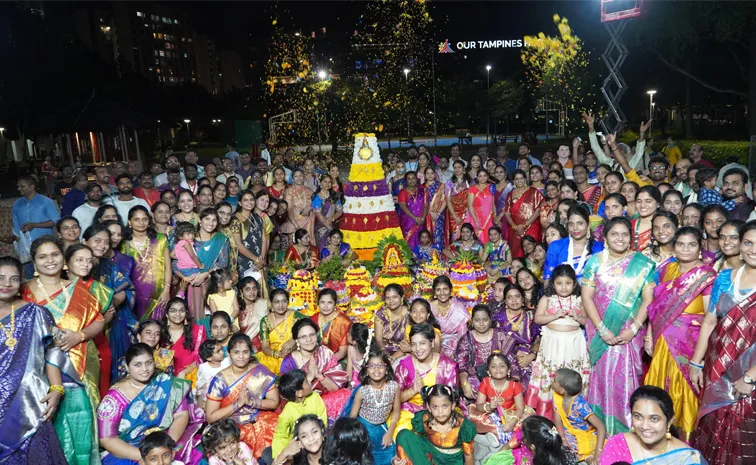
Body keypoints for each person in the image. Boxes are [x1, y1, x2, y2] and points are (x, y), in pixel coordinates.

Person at [20, 235, 105, 465]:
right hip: (36, 373)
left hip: (79, 368)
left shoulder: (78, 289)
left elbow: (98, 320)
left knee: (80, 426)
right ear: (34, 262)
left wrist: (80, 335)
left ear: (64, 258)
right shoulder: (22, 292)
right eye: (43, 256)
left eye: (55, 254)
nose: (50, 260)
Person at [689, 221, 756, 465]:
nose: (752, 249)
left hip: (750, 377)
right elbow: (709, 321)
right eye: (748, 242)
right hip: (718, 368)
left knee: (743, 432)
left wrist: (750, 377)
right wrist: (696, 364)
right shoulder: (726, 277)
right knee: (713, 428)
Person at [582, 217, 655, 436]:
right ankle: (600, 432)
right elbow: (587, 298)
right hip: (599, 334)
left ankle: (625, 433)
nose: (620, 239)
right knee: (601, 381)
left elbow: (648, 300)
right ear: (605, 238)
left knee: (625, 381)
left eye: (625, 234)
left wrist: (632, 329)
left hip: (628, 335)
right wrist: (602, 330)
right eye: (615, 234)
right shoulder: (595, 261)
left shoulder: (642, 264)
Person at [644, 227, 715, 441]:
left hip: (689, 341)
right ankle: (655, 435)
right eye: (681, 244)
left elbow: (709, 316)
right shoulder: (667, 271)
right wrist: (649, 334)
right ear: (674, 248)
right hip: (662, 337)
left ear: (699, 249)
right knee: (660, 385)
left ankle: (684, 441)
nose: (686, 249)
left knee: (686, 388)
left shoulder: (707, 275)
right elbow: (655, 308)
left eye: (691, 244)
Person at [0, 255, 69, 464]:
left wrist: (56, 389)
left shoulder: (36, 313)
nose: (7, 284)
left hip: (28, 400)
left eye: (13, 279)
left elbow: (53, 352)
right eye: (1, 278)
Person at [97, 343, 203, 465]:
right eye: (138, 364)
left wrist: (165, 448)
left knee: (193, 454)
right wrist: (146, 456)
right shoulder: (114, 399)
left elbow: (181, 415)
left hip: (166, 441)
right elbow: (107, 439)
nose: (145, 369)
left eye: (148, 363)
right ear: (126, 367)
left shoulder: (164, 382)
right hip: (131, 450)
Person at [526, 265, 590, 419]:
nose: (563, 287)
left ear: (574, 284)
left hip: (573, 343)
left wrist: (577, 316)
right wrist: (554, 316)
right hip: (552, 343)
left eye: (568, 283)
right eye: (559, 283)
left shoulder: (579, 300)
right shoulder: (547, 299)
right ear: (553, 284)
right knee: (552, 374)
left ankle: (572, 411)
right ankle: (547, 412)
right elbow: (538, 318)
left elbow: (587, 321)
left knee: (570, 374)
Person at [205, 334, 280, 458]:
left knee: (279, 429)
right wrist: (238, 404)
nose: (241, 356)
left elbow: (274, 402)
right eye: (236, 352)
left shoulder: (261, 372)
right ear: (229, 354)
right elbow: (210, 417)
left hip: (257, 417)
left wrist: (251, 402)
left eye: (245, 352)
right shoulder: (220, 380)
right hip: (230, 425)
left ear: (250, 353)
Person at [600, 386, 707, 464]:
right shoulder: (618, 445)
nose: (645, 426)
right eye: (638, 416)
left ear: (669, 421)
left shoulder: (688, 458)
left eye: (654, 419)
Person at [393, 324, 459, 437]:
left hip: (441, 409)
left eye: (422, 343)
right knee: (401, 430)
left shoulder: (448, 366)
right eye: (413, 345)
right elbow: (395, 398)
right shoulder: (405, 366)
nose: (418, 349)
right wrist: (412, 391)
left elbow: (452, 398)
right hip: (410, 409)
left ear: (432, 343)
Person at [279, 318, 351, 421]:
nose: (309, 339)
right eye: (303, 337)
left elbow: (335, 388)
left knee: (344, 397)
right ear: (297, 340)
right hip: (301, 404)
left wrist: (319, 376)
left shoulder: (325, 353)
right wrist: (309, 378)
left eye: (311, 335)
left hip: (325, 400)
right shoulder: (289, 361)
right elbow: (288, 394)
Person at [343, 350, 401, 465]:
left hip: (382, 427)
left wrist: (390, 432)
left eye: (380, 365)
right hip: (363, 427)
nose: (376, 369)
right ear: (366, 371)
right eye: (371, 366)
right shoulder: (362, 391)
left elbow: (396, 412)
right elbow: (353, 417)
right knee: (362, 455)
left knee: (389, 453)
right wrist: (356, 437)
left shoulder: (394, 387)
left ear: (387, 369)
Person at [395, 384, 476, 465]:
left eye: (444, 406)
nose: (440, 412)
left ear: (453, 405)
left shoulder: (463, 427)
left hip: (451, 462)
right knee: (404, 435)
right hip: (429, 458)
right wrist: (396, 458)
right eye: (435, 407)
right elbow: (413, 443)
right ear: (429, 407)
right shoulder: (425, 420)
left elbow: (469, 455)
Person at [174, 208, 229, 322]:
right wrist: (186, 277)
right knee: (196, 317)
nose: (211, 223)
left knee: (214, 318)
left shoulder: (220, 239)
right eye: (207, 219)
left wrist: (205, 274)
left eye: (214, 220)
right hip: (191, 283)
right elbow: (175, 262)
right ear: (199, 220)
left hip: (212, 283)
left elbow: (223, 263)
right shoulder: (188, 239)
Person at [121, 206, 172, 321]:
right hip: (135, 296)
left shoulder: (161, 239)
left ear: (149, 222)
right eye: (136, 219)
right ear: (130, 222)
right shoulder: (124, 244)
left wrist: (166, 290)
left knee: (157, 329)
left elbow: (168, 267)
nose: (141, 223)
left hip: (159, 295)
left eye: (144, 219)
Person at [471, 352, 528, 453]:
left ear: (508, 370)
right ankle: (494, 437)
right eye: (494, 366)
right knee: (474, 417)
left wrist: (511, 422)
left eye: (502, 366)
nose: (498, 369)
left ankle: (495, 438)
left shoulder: (515, 385)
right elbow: (479, 406)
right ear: (488, 371)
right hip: (491, 414)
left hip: (512, 414)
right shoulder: (485, 382)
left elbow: (520, 408)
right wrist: (488, 407)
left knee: (525, 424)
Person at [552, 368, 606, 465]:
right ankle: (588, 458)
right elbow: (557, 420)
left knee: (586, 448)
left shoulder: (579, 404)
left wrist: (598, 454)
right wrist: (563, 439)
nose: (552, 381)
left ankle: (590, 457)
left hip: (585, 433)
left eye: (554, 381)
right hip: (568, 432)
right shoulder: (557, 397)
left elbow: (601, 427)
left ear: (562, 390)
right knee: (555, 442)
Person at [272, 369, 328, 457]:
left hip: (317, 439)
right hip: (299, 447)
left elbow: (323, 420)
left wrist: (323, 437)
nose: (309, 382)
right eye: (306, 381)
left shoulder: (315, 397)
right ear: (299, 393)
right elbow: (280, 436)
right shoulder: (287, 413)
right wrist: (280, 455)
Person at [13, 176, 61, 277]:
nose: (19, 189)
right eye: (18, 186)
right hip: (26, 248)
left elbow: (56, 221)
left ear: (32, 187)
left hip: (45, 245)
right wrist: (20, 240)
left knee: (48, 273)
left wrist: (34, 225)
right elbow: (15, 224)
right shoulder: (17, 204)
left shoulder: (46, 202)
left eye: (22, 186)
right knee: (30, 277)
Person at [544, 205, 603, 284]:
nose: (575, 228)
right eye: (571, 224)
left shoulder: (599, 248)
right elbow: (548, 279)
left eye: (580, 223)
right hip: (560, 295)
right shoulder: (556, 247)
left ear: (588, 225)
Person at [257, 289, 305, 374]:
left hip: (294, 355)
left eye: (284, 301)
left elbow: (310, 331)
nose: (281, 305)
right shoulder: (265, 321)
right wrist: (278, 354)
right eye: (276, 302)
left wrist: (294, 340)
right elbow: (264, 347)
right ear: (271, 303)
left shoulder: (297, 316)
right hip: (272, 357)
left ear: (288, 302)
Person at [162, 297, 206, 381]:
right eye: (173, 311)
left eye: (182, 310)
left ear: (186, 313)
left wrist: (184, 372)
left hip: (192, 378)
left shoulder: (197, 331)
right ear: (167, 314)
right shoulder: (161, 333)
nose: (178, 314)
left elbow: (203, 356)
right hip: (165, 380)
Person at [504, 169, 545, 259]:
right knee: (517, 254)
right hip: (515, 230)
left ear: (526, 179)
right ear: (513, 181)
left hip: (532, 227)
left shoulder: (534, 192)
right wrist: (515, 226)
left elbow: (538, 210)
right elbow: (507, 213)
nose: (519, 181)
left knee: (533, 251)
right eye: (517, 179)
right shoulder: (510, 194)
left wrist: (524, 225)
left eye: (521, 178)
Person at [231, 191, 268, 280]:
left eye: (251, 199)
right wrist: (256, 260)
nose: (249, 202)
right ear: (240, 203)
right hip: (244, 260)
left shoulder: (257, 217)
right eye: (246, 200)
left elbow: (264, 240)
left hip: (259, 260)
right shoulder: (236, 220)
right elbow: (238, 245)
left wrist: (261, 260)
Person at [429, 276, 469, 357]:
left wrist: (455, 353)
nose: (442, 293)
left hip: (454, 346)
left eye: (445, 289)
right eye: (438, 290)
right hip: (432, 344)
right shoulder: (429, 307)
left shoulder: (459, 309)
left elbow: (462, 337)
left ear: (451, 290)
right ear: (434, 292)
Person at [310, 288, 351, 360]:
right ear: (318, 303)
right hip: (314, 358)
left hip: (336, 360)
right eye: (322, 302)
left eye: (329, 302)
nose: (325, 306)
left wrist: (324, 364)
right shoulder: (313, 318)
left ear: (335, 304)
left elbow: (342, 353)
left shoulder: (343, 322)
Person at [374, 284, 411, 360]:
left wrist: (393, 358)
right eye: (388, 298)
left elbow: (406, 343)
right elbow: (378, 340)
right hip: (383, 351)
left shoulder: (409, 314)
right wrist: (385, 355)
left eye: (394, 297)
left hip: (403, 352)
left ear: (402, 297)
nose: (391, 301)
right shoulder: (381, 314)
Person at [196, 339, 231, 409]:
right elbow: (200, 382)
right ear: (209, 358)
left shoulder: (227, 361)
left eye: (221, 349)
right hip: (211, 394)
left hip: (228, 391)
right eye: (218, 351)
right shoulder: (203, 368)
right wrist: (203, 388)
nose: (222, 352)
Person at [466, 169, 496, 245]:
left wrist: (495, 217)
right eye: (480, 176)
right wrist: (476, 221)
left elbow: (493, 204)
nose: (482, 178)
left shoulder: (492, 187)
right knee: (477, 240)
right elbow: (470, 205)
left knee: (490, 238)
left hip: (489, 219)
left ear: (488, 176)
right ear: (477, 177)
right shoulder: (473, 189)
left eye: (484, 176)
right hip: (476, 218)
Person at [445, 161, 471, 242]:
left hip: (467, 212)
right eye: (455, 167)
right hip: (454, 213)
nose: (457, 169)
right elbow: (448, 201)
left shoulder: (470, 182)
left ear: (464, 168)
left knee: (468, 233)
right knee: (455, 236)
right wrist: (455, 216)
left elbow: (473, 198)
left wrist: (467, 209)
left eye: (459, 167)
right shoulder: (449, 182)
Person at [237, 276, 268, 343]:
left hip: (263, 344)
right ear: (241, 292)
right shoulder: (237, 308)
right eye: (248, 289)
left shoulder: (263, 303)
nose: (252, 292)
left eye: (254, 289)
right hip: (243, 344)